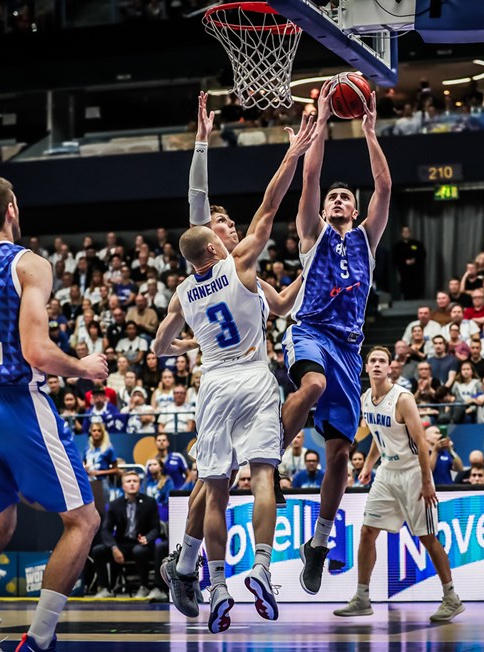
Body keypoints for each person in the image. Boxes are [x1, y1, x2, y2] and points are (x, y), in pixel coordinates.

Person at [152, 110, 317, 633]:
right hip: (250, 374)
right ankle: (260, 571)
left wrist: (187, 344)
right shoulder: (239, 261)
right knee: (263, 474)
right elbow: (269, 205)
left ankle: (215, 581)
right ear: (212, 242)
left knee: (215, 488)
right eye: (221, 227)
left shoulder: (183, 288)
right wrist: (293, 152)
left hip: (212, 381)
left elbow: (158, 347)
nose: (229, 229)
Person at [0, 177, 108, 652]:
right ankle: (39, 638)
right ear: (13, 208)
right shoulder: (28, 264)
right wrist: (84, 368)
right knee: (83, 521)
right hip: (16, 402)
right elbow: (37, 351)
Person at [279, 79, 391, 597]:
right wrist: (322, 122)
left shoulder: (367, 239)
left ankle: (319, 544)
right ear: (325, 210)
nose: (341, 199)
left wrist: (370, 134)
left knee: (342, 453)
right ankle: (272, 457)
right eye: (335, 198)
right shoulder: (312, 234)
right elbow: (311, 176)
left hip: (349, 346)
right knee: (314, 387)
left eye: (349, 197)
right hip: (311, 332)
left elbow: (385, 189)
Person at [334, 347, 463, 622]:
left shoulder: (403, 399)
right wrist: (369, 465)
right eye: (373, 361)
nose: (378, 365)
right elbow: (379, 438)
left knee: (427, 537)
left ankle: (451, 597)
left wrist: (428, 483)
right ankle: (362, 597)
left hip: (413, 472)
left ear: (390, 367)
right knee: (367, 531)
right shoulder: (366, 398)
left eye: (383, 361)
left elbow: (420, 443)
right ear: (366, 367)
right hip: (386, 473)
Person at [91, 470, 167, 600]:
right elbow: (106, 530)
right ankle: (104, 588)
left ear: (139, 484)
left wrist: (147, 538)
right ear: (123, 486)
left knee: (139, 551)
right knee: (98, 551)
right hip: (121, 544)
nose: (132, 484)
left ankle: (144, 587)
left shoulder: (149, 502)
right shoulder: (114, 505)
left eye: (135, 481)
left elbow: (155, 528)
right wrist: (114, 548)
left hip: (142, 544)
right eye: (128, 481)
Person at [392, 226, 426, 299]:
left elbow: (422, 254)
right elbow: (395, 258)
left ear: (410, 233)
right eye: (404, 232)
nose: (406, 233)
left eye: (407, 232)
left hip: (416, 272)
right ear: (401, 233)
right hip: (404, 272)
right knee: (405, 288)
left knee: (417, 288)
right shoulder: (398, 246)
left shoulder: (416, 244)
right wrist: (404, 261)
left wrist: (415, 260)